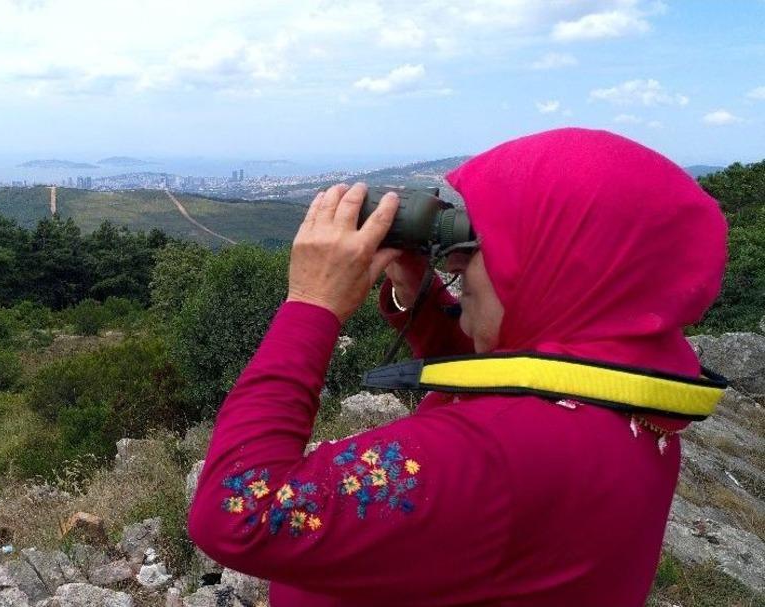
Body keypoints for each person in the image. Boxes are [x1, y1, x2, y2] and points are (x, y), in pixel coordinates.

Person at [186, 127, 728, 606]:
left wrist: (311, 304)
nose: (455, 260)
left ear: (563, 263)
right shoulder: (627, 389)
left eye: (486, 243)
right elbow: (510, 375)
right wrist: (417, 292)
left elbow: (240, 509)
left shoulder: (491, 460)